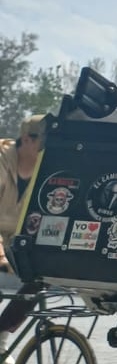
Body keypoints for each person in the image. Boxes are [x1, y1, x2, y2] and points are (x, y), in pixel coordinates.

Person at [0, 117, 45, 275]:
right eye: (45, 141)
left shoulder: (47, 169)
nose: (50, 146)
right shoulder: (2, 159)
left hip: (13, 244)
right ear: (26, 140)